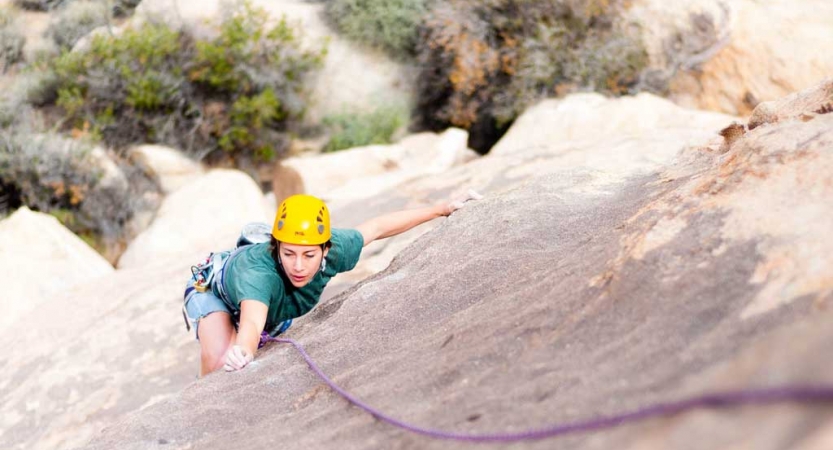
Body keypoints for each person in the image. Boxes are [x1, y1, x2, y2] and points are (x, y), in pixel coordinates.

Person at [183, 191, 482, 376]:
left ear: (326, 249)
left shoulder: (337, 246)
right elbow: (251, 322)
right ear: (276, 248)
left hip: (270, 306)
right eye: (288, 253)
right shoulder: (259, 275)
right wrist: (243, 352)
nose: (298, 266)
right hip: (214, 291)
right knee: (221, 361)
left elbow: (377, 227)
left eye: (309, 255)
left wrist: (441, 209)